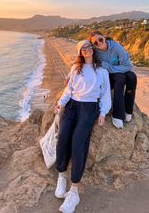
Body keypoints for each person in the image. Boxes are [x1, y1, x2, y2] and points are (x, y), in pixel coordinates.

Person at [54, 40, 111, 213]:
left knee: (79, 143)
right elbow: (69, 90)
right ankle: (61, 175)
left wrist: (103, 113)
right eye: (83, 48)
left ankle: (74, 191)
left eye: (88, 47)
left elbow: (105, 94)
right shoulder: (75, 68)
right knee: (63, 138)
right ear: (80, 52)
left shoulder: (102, 71)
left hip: (89, 107)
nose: (87, 49)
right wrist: (60, 104)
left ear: (92, 49)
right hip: (72, 105)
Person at [88, 30, 137, 129]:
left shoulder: (116, 47)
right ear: (94, 45)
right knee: (120, 78)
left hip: (119, 71)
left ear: (104, 38)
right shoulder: (95, 52)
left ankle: (128, 110)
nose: (99, 43)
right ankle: (117, 115)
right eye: (95, 43)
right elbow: (82, 58)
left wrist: (110, 67)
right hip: (108, 77)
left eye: (100, 39)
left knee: (132, 77)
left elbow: (128, 66)